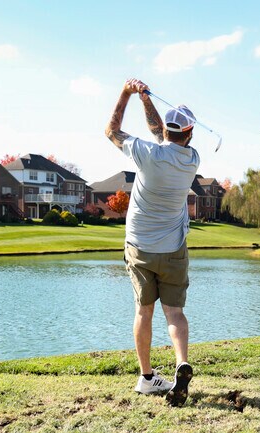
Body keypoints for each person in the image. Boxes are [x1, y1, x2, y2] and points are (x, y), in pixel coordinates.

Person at [105, 78, 200, 407]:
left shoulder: (146, 154)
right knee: (174, 313)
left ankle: (147, 378)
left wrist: (128, 94)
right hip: (173, 249)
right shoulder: (191, 159)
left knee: (143, 312)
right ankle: (180, 363)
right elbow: (163, 133)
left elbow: (112, 131)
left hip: (140, 247)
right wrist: (147, 99)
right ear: (188, 134)